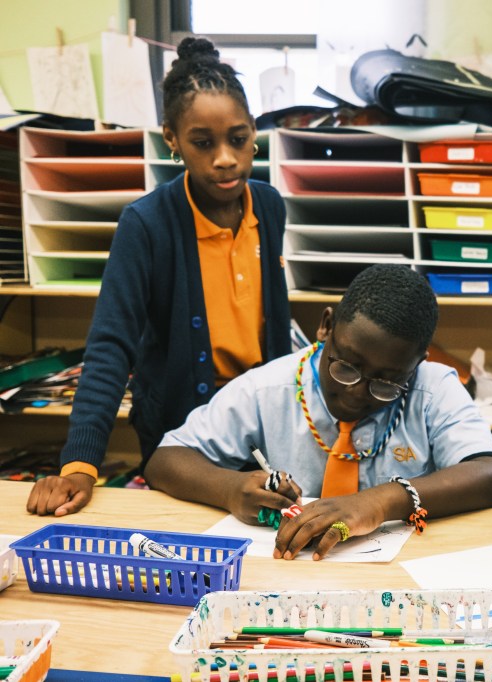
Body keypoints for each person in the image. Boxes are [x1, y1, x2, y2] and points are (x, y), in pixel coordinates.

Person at [26, 37, 291, 517]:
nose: (226, 158)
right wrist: (80, 463)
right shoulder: (146, 223)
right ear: (171, 138)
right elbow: (110, 346)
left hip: (263, 424)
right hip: (181, 437)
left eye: (237, 138)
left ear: (254, 130)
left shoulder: (270, 205)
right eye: (203, 143)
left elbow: (274, 328)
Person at [144, 264, 492, 561]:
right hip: (291, 573)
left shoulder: (432, 388)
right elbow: (164, 460)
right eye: (346, 366)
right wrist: (228, 489)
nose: (356, 391)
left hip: (405, 574)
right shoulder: (267, 387)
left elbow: (490, 477)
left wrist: (380, 502)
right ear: (326, 325)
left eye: (386, 382)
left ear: (416, 364)